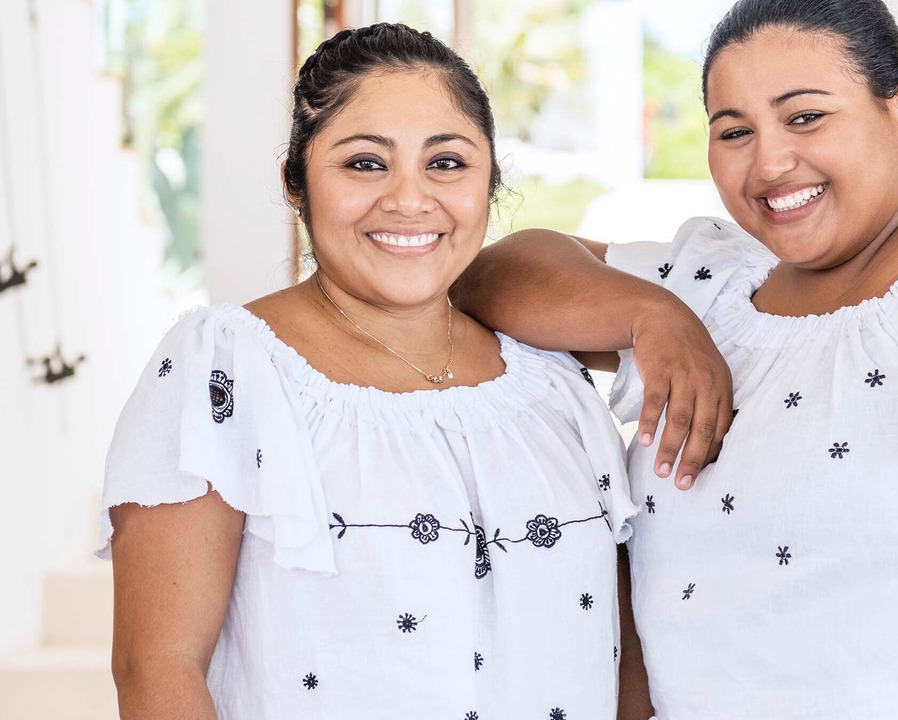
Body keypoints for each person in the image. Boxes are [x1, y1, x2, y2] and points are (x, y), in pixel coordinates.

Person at [454, 1, 898, 718]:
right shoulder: (710, 287)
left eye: (806, 116)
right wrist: (652, 316)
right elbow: (493, 273)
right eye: (734, 132)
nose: (771, 161)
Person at [97, 23, 730, 719]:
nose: (408, 199)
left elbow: (624, 654)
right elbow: (156, 667)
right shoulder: (226, 370)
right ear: (295, 182)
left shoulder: (549, 382)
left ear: (491, 183)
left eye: (447, 163)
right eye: (365, 163)